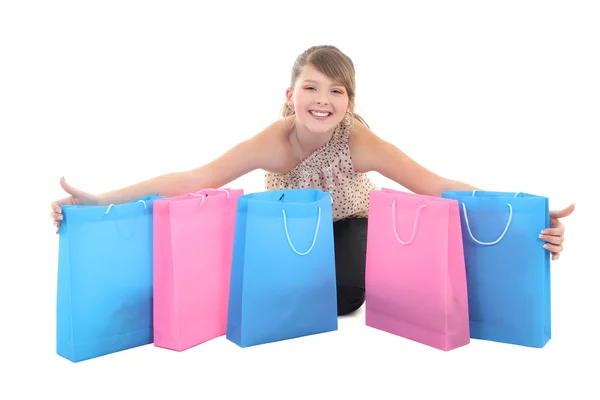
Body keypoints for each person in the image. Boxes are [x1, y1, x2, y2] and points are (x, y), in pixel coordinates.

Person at [50, 45, 575, 316]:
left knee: (346, 295)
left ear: (350, 101)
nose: (323, 100)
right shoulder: (273, 140)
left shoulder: (360, 141)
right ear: (289, 94)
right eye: (312, 86)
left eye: (338, 91)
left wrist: (527, 213)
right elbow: (193, 177)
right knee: (236, 275)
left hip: (347, 222)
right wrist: (101, 199)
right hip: (283, 225)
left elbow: (436, 186)